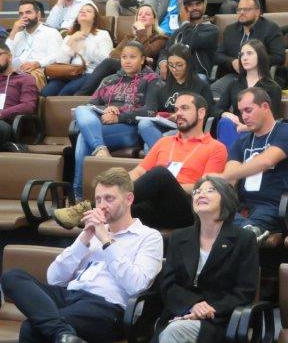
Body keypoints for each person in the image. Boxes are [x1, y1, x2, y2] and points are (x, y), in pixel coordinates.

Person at [1, 167, 163, 343]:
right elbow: (54, 279)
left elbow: (137, 285)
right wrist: (85, 238)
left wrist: (105, 240)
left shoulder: (149, 237)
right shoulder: (91, 232)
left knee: (32, 329)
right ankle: (63, 334)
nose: (102, 205)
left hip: (105, 307)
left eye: (109, 198)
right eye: (98, 199)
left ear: (129, 199)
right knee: (12, 276)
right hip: (70, 296)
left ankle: (62, 333)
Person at [153, 176, 258, 343]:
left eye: (210, 190)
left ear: (226, 199)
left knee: (174, 332)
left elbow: (245, 291)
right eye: (197, 191)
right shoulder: (179, 237)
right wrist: (193, 305)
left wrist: (208, 310)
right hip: (181, 312)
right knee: (171, 330)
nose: (201, 194)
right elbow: (169, 284)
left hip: (219, 318)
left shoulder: (244, 239)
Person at [208, 87, 288, 242]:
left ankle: (247, 231)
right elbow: (230, 177)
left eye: (248, 110)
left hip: (274, 206)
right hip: (243, 208)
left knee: (232, 232)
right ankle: (248, 230)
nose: (244, 117)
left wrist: (223, 176)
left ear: (265, 107)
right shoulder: (241, 142)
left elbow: (266, 161)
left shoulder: (287, 131)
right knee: (209, 210)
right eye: (241, 112)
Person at [72, 41, 161, 197]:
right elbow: (91, 104)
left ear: (142, 59)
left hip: (130, 129)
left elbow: (150, 111)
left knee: (83, 138)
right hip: (103, 126)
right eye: (124, 57)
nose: (127, 61)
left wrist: (119, 117)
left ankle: (79, 195)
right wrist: (105, 109)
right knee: (81, 109)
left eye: (132, 57)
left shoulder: (151, 79)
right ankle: (100, 149)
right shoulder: (109, 79)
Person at [127, 92, 227, 229]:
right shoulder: (164, 142)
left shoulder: (216, 147)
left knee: (160, 174)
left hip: (189, 208)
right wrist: (120, 184)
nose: (178, 113)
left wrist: (167, 186)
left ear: (201, 113)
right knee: (120, 209)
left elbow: (206, 187)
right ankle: (106, 204)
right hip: (155, 205)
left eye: (184, 108)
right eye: (176, 109)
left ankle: (113, 199)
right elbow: (138, 172)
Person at [75, 4, 168, 97]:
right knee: (109, 64)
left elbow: (149, 52)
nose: (143, 16)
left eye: (147, 14)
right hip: (125, 68)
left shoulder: (160, 38)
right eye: (140, 14)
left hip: (144, 72)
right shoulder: (129, 37)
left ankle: (81, 95)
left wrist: (141, 31)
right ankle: (89, 97)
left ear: (154, 20)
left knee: (108, 63)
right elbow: (113, 54)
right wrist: (134, 57)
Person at [138, 44, 215, 149]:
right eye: (170, 65)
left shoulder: (200, 85)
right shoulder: (164, 88)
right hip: (168, 126)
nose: (174, 69)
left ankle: (163, 152)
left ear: (188, 64)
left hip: (188, 128)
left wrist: (181, 115)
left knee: (147, 146)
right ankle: (166, 153)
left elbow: (207, 113)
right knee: (144, 124)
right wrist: (167, 116)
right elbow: (158, 112)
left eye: (179, 65)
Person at [211, 0, 285, 98]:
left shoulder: (271, 29)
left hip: (261, 76)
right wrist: (232, 62)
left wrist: (255, 62)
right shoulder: (230, 30)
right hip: (235, 76)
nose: (241, 12)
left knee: (249, 97)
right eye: (239, 9)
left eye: (246, 9)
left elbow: (279, 57)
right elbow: (217, 55)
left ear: (257, 12)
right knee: (213, 91)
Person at [214, 40, 282, 150]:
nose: (244, 58)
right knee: (225, 122)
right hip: (235, 130)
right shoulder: (234, 84)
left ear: (260, 56)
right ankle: (234, 158)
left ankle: (234, 158)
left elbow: (272, 119)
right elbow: (216, 109)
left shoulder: (272, 87)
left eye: (249, 53)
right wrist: (226, 114)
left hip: (259, 133)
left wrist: (246, 128)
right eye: (242, 55)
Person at [42, 3, 114, 97]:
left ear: (95, 19)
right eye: (81, 11)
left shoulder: (102, 34)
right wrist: (71, 41)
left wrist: (85, 45)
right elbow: (61, 61)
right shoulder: (70, 36)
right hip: (68, 73)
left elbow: (105, 60)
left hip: (89, 73)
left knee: (65, 93)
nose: (83, 12)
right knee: (46, 93)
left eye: (88, 11)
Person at [157, 0, 219, 81]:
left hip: (197, 76)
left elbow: (189, 43)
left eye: (198, 4)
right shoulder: (178, 31)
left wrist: (185, 22)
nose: (194, 8)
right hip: (174, 74)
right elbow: (166, 51)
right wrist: (163, 62)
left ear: (205, 5)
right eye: (190, 5)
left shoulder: (211, 29)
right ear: (185, 9)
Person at [6, 0, 63, 89]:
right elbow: (5, 56)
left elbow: (57, 56)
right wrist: (13, 32)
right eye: (21, 14)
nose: (24, 16)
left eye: (28, 12)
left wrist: (38, 63)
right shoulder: (17, 34)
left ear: (38, 15)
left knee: (24, 80)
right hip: (14, 72)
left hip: (37, 72)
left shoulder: (51, 32)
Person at [0, 43, 38, 148]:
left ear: (10, 57)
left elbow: (28, 106)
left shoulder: (25, 79)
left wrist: (2, 113)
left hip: (9, 124)